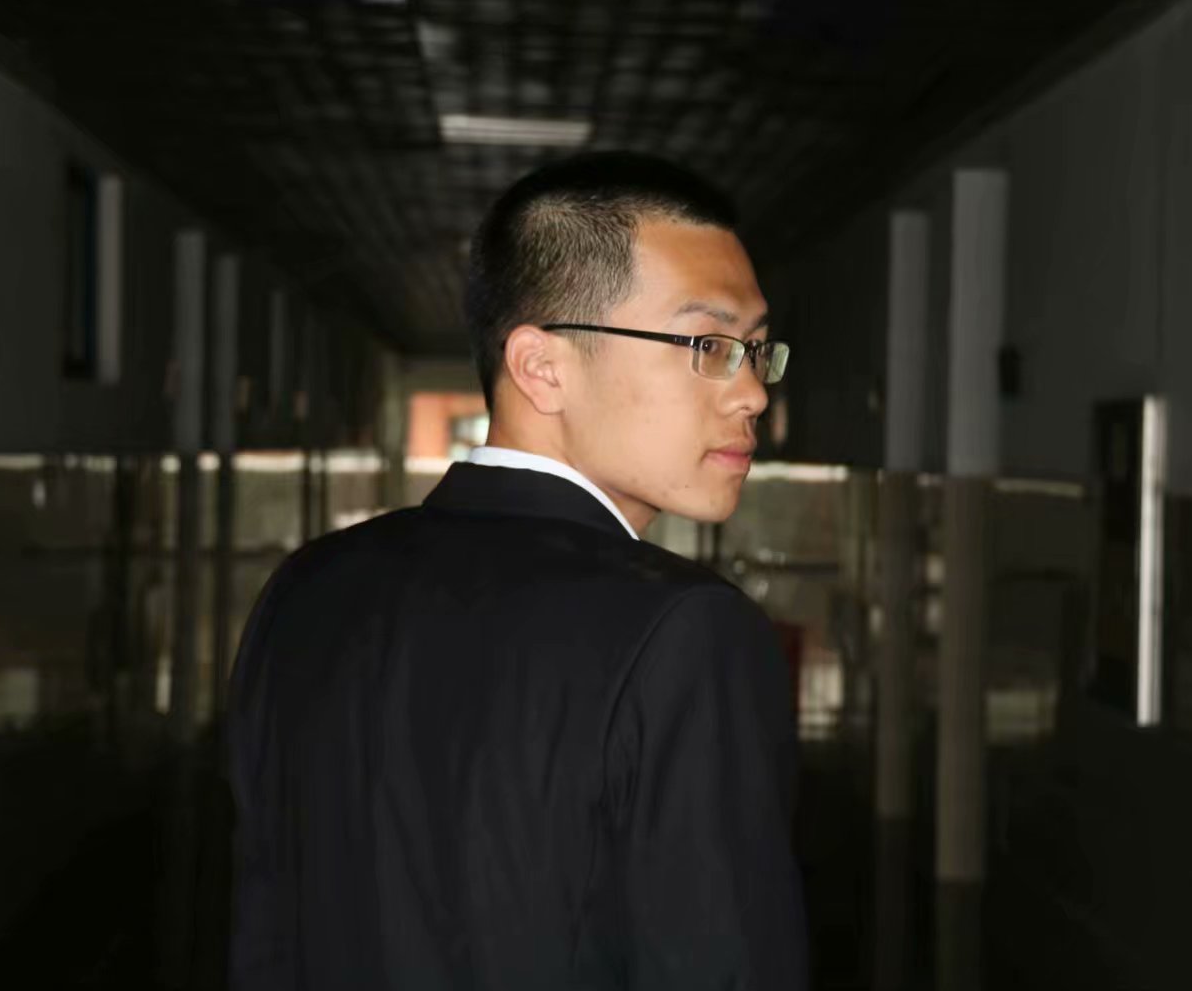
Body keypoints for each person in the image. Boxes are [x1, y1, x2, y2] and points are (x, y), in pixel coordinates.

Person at [227, 151, 806, 990]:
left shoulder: (309, 587)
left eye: (756, 350)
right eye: (709, 345)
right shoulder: (684, 631)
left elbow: (265, 941)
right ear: (541, 366)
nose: (752, 392)